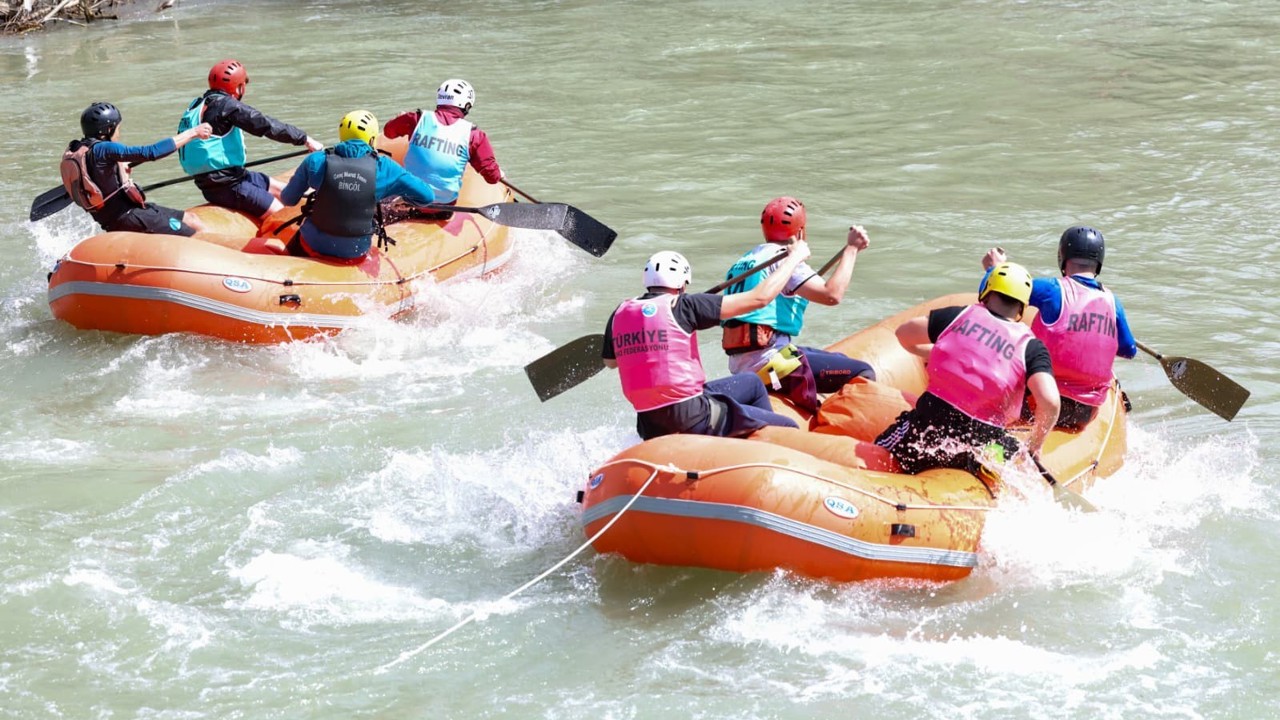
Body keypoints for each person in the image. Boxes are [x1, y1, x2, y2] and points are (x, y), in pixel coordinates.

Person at [603, 244, 814, 440]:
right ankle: (762, 445)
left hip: (648, 425)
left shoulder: (619, 313)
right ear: (682, 284)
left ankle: (750, 436)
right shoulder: (685, 306)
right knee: (788, 426)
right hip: (693, 417)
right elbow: (760, 298)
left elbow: (611, 362)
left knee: (752, 382)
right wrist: (794, 257)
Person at [875, 262, 1061, 475]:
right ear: (1022, 306)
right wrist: (1035, 445)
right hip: (981, 445)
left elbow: (903, 334)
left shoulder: (957, 316)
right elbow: (1050, 401)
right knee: (1008, 447)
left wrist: (934, 352)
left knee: (882, 445)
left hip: (927, 430)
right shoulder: (1031, 347)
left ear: (987, 290)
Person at [721, 196, 876, 410]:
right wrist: (852, 248)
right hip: (770, 363)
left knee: (838, 358)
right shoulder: (785, 258)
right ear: (800, 232)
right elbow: (832, 295)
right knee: (863, 372)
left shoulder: (744, 261)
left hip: (742, 365)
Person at [981, 225, 1137, 430]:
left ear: (1062, 257)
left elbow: (1003, 291)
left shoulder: (1051, 290)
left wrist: (995, 268)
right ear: (1099, 263)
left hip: (1038, 403)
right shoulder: (1113, 302)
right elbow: (1129, 350)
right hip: (1085, 412)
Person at [277, 111, 438, 263]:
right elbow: (427, 196)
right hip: (355, 252)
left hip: (312, 245)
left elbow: (288, 199)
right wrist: (404, 200)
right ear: (372, 140)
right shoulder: (386, 167)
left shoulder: (315, 160)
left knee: (297, 238)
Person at [176, 59, 323, 221]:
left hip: (227, 178)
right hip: (228, 186)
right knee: (281, 214)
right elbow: (266, 125)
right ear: (238, 87)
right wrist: (305, 139)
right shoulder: (227, 106)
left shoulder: (196, 105)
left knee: (285, 191)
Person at [61, 101, 213, 236]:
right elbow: (151, 152)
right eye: (117, 128)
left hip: (118, 216)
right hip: (129, 216)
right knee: (193, 234)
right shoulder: (105, 149)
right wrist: (193, 133)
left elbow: (98, 173)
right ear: (108, 130)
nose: (119, 133)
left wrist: (119, 169)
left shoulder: (79, 150)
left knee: (192, 220)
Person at [382, 79, 504, 214]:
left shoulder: (415, 119)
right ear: (467, 106)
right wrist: (500, 175)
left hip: (407, 202)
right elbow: (492, 177)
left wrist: (400, 118)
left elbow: (388, 132)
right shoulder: (474, 135)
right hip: (443, 209)